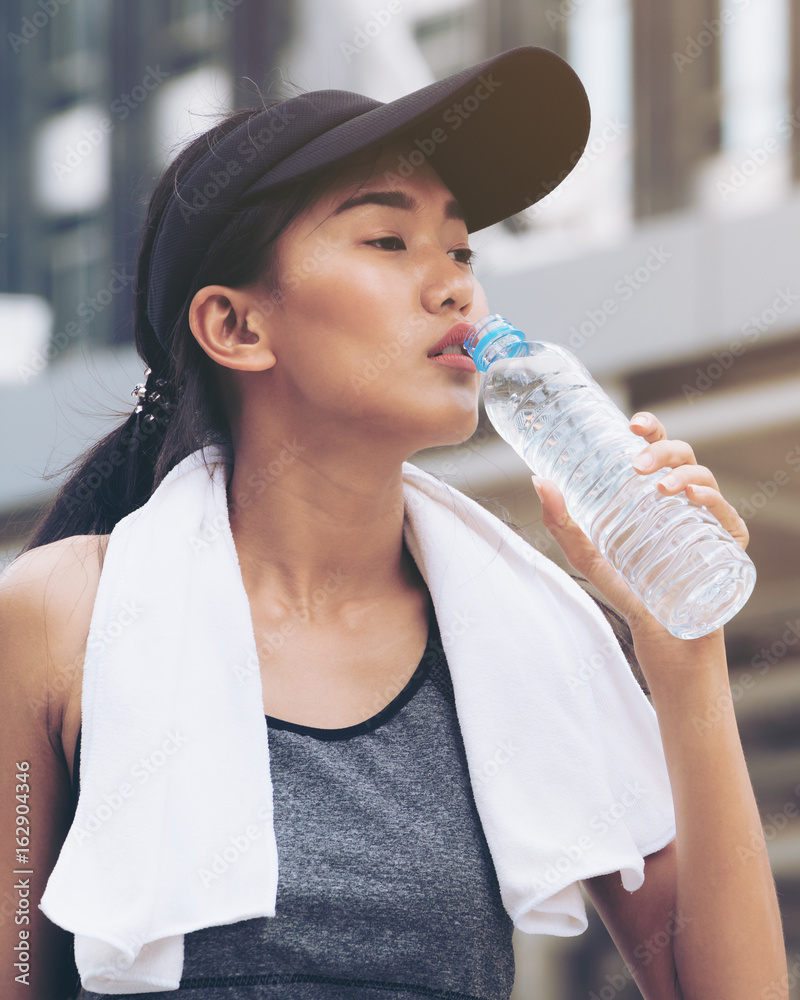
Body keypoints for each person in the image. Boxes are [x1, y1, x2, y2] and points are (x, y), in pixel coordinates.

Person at [0, 46, 787, 1000]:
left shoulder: (525, 636)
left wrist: (684, 653)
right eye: (388, 241)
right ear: (236, 328)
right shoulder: (64, 618)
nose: (455, 285)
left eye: (462, 250)